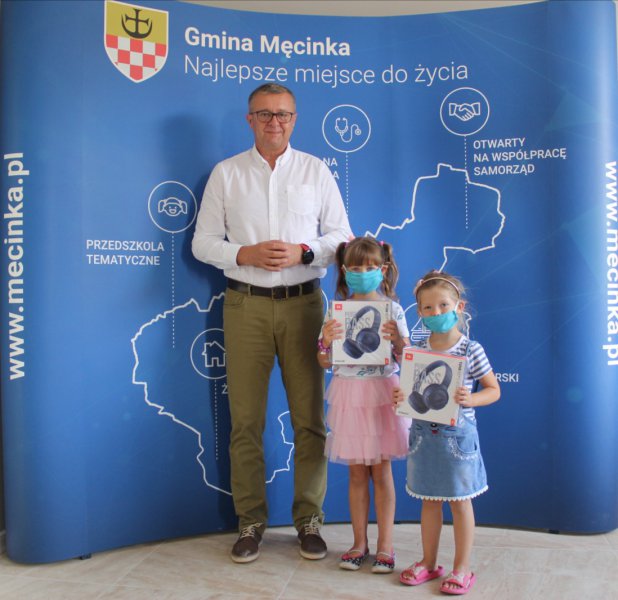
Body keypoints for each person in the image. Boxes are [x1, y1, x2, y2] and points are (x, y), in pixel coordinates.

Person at [192, 83, 352, 564]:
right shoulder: (226, 173)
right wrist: (244, 253)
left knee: (310, 421)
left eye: (282, 114)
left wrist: (304, 252)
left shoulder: (315, 170)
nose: (274, 122)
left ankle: (309, 520)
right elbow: (202, 243)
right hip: (246, 306)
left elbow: (341, 237)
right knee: (246, 422)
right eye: (264, 114)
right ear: (250, 120)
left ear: (294, 119)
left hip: (305, 307)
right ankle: (251, 522)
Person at [393, 270, 500, 595]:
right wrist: (401, 396)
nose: (436, 312)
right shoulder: (417, 349)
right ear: (419, 311)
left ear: (459, 307)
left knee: (460, 503)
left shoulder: (471, 349)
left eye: (443, 305)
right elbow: (410, 391)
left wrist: (472, 398)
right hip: (423, 439)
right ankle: (428, 562)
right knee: (429, 501)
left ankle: (462, 568)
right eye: (428, 308)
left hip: (458, 440)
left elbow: (493, 390)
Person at [317, 237, 411, 574]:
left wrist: (397, 340)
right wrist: (326, 342)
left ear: (382, 270)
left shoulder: (393, 310)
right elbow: (324, 361)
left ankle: (386, 546)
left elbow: (408, 358)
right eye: (355, 267)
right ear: (345, 271)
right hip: (349, 396)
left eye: (370, 267)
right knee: (357, 473)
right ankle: (359, 543)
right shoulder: (336, 310)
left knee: (382, 472)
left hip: (382, 394)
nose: (362, 272)